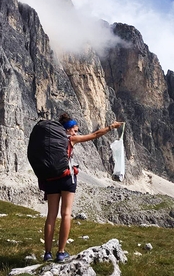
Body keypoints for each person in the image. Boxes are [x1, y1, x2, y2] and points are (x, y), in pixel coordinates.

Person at [42, 113, 124, 263]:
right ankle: (60, 253)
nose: (76, 132)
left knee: (51, 215)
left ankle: (47, 253)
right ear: (69, 129)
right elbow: (95, 135)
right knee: (66, 214)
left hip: (51, 179)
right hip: (67, 178)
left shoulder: (51, 140)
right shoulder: (70, 139)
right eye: (75, 129)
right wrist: (112, 126)